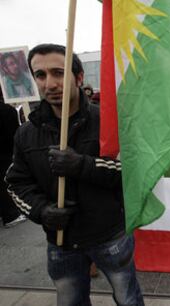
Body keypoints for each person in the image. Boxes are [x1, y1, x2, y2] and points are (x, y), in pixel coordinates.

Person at [5, 44, 144, 306]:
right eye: (41, 75)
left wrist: (83, 165)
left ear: (79, 78)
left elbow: (134, 172)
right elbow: (16, 184)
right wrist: (41, 210)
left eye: (59, 72)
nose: (50, 83)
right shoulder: (26, 133)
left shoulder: (110, 123)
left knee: (128, 299)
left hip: (111, 236)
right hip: (61, 242)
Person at [0, 88, 26, 227]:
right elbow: (14, 135)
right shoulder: (7, 111)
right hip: (5, 154)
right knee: (6, 183)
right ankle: (10, 215)